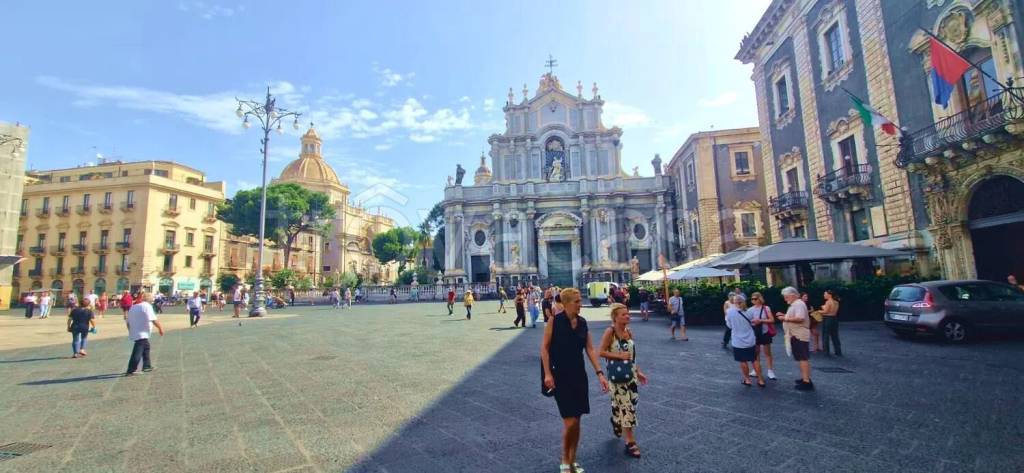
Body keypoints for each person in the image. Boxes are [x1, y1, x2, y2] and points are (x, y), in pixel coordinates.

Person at [541, 288, 609, 472]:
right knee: (570, 422)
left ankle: (573, 459)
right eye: (577, 301)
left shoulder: (583, 322)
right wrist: (547, 374)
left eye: (580, 300)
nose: (581, 304)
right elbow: (544, 349)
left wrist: (600, 373)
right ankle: (565, 458)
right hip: (559, 376)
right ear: (567, 303)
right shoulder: (555, 321)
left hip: (579, 376)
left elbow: (590, 349)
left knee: (577, 421)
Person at [598, 303, 649, 459]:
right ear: (615, 317)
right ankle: (630, 443)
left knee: (631, 404)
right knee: (627, 408)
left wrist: (638, 372)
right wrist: (619, 356)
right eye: (623, 314)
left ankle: (616, 418)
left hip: (631, 377)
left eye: (627, 313)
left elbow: (632, 356)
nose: (627, 316)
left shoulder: (629, 332)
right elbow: (600, 351)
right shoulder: (610, 332)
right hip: (617, 379)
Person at [776, 287, 814, 391]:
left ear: (793, 295)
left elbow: (800, 318)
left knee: (803, 358)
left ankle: (807, 381)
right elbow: (796, 316)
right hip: (796, 335)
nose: (785, 299)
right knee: (800, 358)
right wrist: (784, 315)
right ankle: (805, 378)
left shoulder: (798, 304)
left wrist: (785, 318)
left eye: (786, 296)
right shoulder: (797, 304)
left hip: (799, 335)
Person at [726, 294, 764, 387]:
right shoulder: (749, 311)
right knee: (754, 360)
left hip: (738, 340)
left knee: (743, 361)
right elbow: (753, 323)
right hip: (750, 339)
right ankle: (760, 380)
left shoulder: (729, 312)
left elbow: (729, 326)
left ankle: (747, 380)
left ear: (734, 302)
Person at [125, 292, 164, 376]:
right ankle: (131, 369)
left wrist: (130, 330)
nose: (153, 300)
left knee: (146, 347)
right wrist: (160, 328)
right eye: (152, 299)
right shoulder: (147, 306)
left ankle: (147, 365)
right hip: (142, 332)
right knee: (137, 351)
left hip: (136, 331)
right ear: (149, 299)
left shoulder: (133, 307)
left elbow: (127, 322)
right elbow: (153, 319)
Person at [747, 292, 777, 380]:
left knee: (767, 352)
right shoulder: (750, 310)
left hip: (765, 332)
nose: (753, 300)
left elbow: (772, 320)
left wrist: (761, 320)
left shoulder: (766, 308)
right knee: (756, 352)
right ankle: (756, 370)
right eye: (752, 299)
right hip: (755, 332)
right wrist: (753, 322)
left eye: (755, 299)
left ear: (760, 299)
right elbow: (748, 321)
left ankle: (770, 371)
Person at [820, 289, 842, 356]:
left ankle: (826, 352)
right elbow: (834, 311)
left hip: (828, 319)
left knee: (825, 335)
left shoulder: (828, 302)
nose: (824, 295)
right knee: (835, 335)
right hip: (834, 319)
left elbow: (826, 311)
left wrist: (819, 311)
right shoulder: (836, 302)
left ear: (829, 295)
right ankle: (838, 351)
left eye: (825, 294)